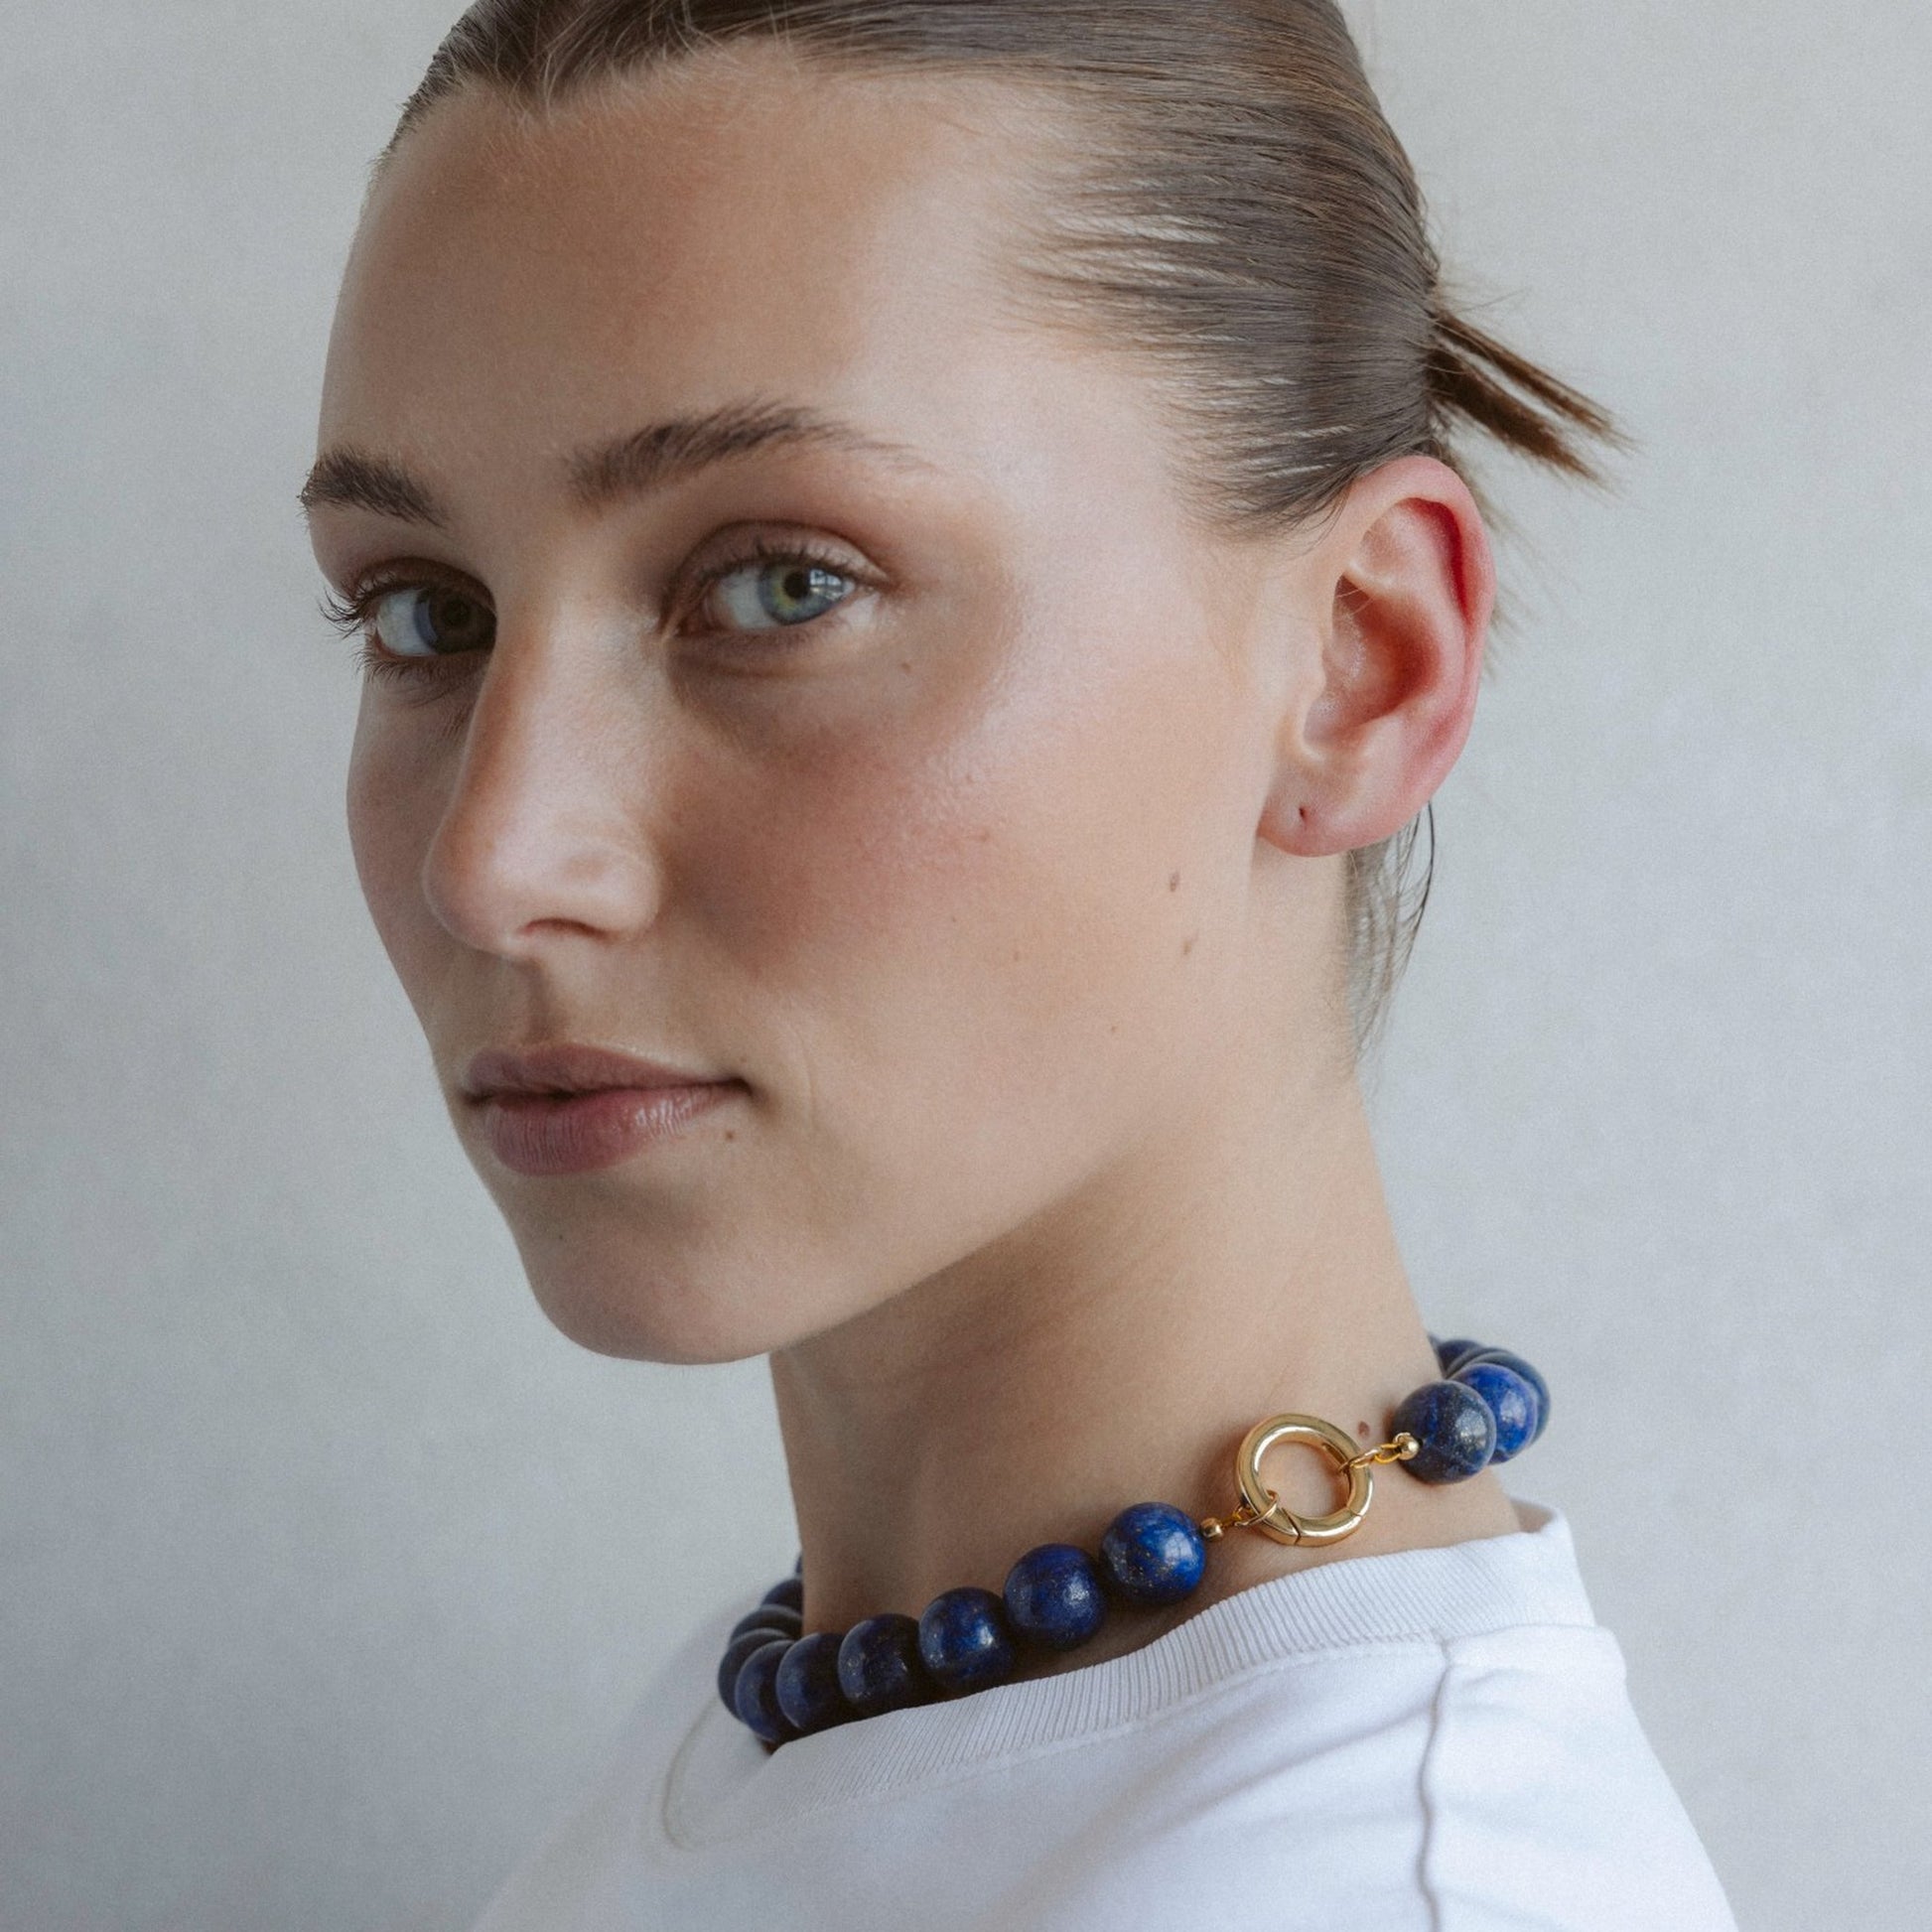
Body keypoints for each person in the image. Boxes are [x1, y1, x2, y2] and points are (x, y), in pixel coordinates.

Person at [300, 3, 1740, 1925]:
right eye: (427, 611)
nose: (491, 860)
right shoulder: (814, 1721)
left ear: (1359, 666)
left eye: (781, 584)